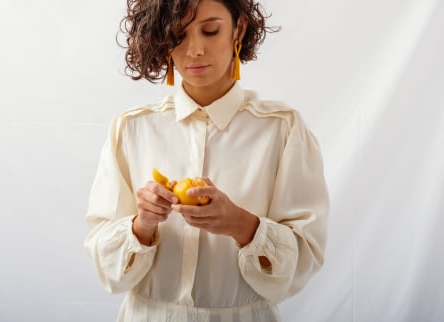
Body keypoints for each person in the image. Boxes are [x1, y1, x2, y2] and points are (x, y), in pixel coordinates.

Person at [84, 0, 329, 321]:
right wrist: (142, 224)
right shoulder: (132, 128)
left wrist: (241, 225)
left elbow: (304, 262)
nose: (195, 50)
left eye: (210, 30)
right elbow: (107, 272)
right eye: (177, 34)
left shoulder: (282, 129)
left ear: (238, 27)